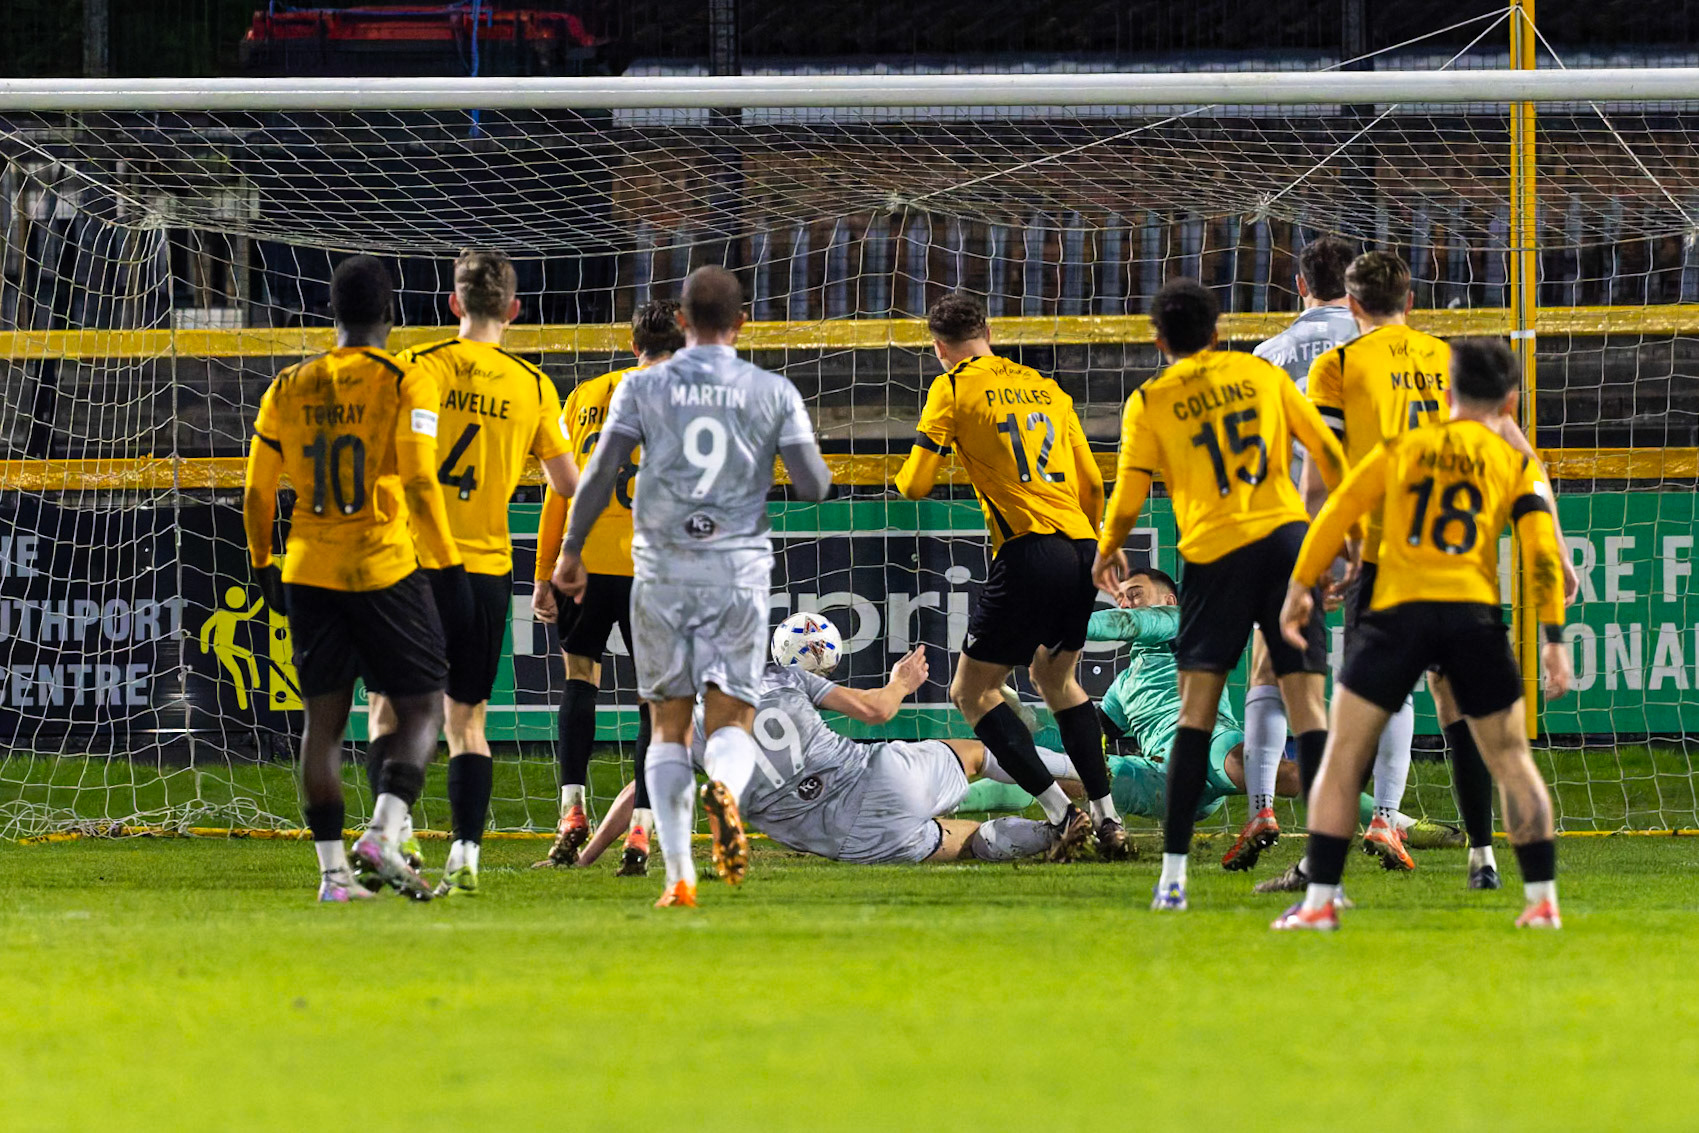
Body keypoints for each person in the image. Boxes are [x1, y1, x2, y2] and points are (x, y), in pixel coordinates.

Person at [553, 266, 833, 908]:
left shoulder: (639, 389)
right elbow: (816, 486)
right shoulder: (773, 390)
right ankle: (727, 793)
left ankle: (679, 876)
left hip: (660, 571)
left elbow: (596, 478)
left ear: (681, 323)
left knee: (669, 727)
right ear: (743, 325)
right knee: (731, 714)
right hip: (735, 569)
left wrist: (571, 551)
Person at [1273, 337, 1572, 931]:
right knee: (1513, 759)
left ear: (1450, 392)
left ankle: (1320, 901)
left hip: (1398, 612)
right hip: (1473, 616)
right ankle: (1541, 901)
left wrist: (1300, 586)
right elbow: (1539, 550)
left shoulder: (1401, 447)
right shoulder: (1514, 463)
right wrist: (1554, 638)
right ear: (1510, 401)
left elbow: (1334, 513)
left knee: (1341, 758)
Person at [1092, 278, 1348, 911]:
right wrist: (1348, 537)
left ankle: (1173, 879)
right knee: (1310, 714)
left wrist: (1108, 546)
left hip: (1214, 555)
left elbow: (1128, 492)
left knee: (1195, 717)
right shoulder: (1261, 374)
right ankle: (1326, 879)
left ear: (1158, 341)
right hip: (1287, 545)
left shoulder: (1150, 399)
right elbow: (1327, 450)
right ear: (1219, 329)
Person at [242, 254, 468, 902]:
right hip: (382, 564)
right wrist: (447, 564)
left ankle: (333, 877)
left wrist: (264, 563)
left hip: (309, 567)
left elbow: (258, 493)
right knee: (425, 705)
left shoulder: (289, 383)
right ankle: (385, 827)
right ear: (389, 315)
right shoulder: (405, 380)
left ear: (333, 314)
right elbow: (422, 482)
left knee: (323, 725)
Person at [362, 248, 579, 897]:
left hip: (413, 560)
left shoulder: (416, 367)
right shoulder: (533, 384)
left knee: (386, 711)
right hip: (484, 568)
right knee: (468, 722)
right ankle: (466, 857)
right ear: (513, 309)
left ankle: (393, 835)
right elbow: (568, 481)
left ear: (453, 304)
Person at [959, 568, 1440, 845]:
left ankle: (1392, 820)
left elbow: (1123, 627)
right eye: (1121, 596)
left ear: (1164, 597)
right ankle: (947, 804)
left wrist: (1051, 625)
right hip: (1161, 775)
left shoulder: (1176, 621)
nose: (1126, 603)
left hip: (1209, 741)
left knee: (1272, 773)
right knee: (1068, 779)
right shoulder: (1126, 683)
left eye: (1135, 594)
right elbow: (1089, 730)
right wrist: (1029, 718)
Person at [894, 292, 1127, 863]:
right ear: (990, 331)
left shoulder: (951, 387)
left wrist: (922, 462)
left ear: (939, 347)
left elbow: (916, 485)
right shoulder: (1046, 386)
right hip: (1081, 546)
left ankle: (1060, 812)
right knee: (1059, 681)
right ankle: (1110, 819)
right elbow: (1093, 484)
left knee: (970, 691)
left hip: (1028, 551)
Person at [573, 620, 1073, 869]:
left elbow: (635, 794)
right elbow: (877, 710)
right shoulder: (781, 677)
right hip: (876, 778)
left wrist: (587, 855)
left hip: (846, 842)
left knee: (966, 842)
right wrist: (902, 681)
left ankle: (1059, 840)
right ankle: (1090, 787)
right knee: (979, 753)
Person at [531, 300, 683, 876]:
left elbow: (559, 492)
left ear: (632, 342)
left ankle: (572, 809)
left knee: (580, 679)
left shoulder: (587, 394)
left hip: (587, 562)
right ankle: (641, 831)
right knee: (656, 704)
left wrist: (546, 572)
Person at [1230, 235, 1358, 872]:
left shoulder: (1268, 354)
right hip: (1365, 518)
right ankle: (1382, 816)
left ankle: (1261, 808)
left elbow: (1261, 450)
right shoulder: (1374, 348)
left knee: (1268, 665)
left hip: (1289, 523)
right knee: (1368, 670)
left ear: (1300, 285)